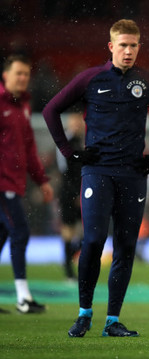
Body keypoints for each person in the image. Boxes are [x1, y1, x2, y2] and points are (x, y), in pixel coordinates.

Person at [42, 19, 149, 337]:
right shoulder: (91, 79)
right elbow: (50, 110)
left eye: (134, 45)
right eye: (123, 45)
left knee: (125, 246)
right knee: (93, 241)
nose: (129, 51)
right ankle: (83, 314)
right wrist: (68, 152)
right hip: (97, 171)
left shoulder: (146, 81)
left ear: (139, 48)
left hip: (133, 175)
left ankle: (112, 321)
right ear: (111, 47)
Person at [0, 54, 54, 314]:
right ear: (5, 75)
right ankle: (23, 297)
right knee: (20, 232)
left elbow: (28, 147)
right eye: (18, 73)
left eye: (26, 74)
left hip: (14, 182)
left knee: (3, 235)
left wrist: (42, 180)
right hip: (2, 184)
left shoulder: (22, 104)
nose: (22, 78)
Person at [55, 112, 85, 281]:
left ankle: (68, 261)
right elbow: (68, 172)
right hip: (71, 192)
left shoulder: (78, 143)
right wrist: (75, 193)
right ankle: (68, 267)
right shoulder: (68, 144)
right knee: (70, 229)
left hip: (76, 190)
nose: (78, 126)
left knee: (83, 232)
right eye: (75, 123)